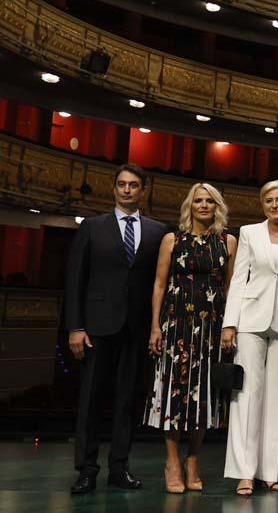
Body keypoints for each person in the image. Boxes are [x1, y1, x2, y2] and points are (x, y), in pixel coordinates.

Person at [65, 164, 168, 494]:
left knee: (127, 402)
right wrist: (75, 327)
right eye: (121, 184)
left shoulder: (157, 231)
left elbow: (159, 283)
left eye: (133, 185)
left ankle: (120, 469)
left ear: (143, 191)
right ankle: (87, 469)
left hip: (136, 329)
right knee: (91, 401)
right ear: (113, 188)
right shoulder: (93, 227)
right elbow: (75, 281)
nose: (127, 190)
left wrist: (156, 326)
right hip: (95, 328)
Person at [221, 180, 278, 495]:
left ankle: (272, 471)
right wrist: (229, 323)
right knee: (247, 393)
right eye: (269, 200)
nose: (274, 205)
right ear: (263, 204)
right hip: (250, 317)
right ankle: (244, 472)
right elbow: (238, 279)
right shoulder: (249, 233)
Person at [144, 183, 238, 493]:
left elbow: (230, 289)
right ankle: (172, 462)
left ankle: (193, 460)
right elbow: (159, 284)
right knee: (173, 391)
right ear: (189, 205)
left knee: (204, 396)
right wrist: (155, 327)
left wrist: (229, 326)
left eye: (209, 201)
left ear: (217, 206)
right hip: (175, 326)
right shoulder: (173, 239)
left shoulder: (228, 241)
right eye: (198, 200)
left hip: (211, 327)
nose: (203, 205)